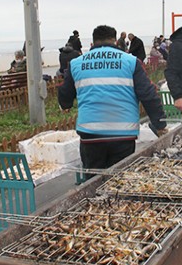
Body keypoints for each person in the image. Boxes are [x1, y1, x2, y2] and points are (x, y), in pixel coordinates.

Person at [58, 25, 167, 174]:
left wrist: (65, 104)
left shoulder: (76, 64)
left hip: (90, 135)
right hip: (122, 134)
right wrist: (160, 123)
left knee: (93, 182)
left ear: (93, 42)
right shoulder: (130, 61)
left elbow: (65, 95)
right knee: (120, 181)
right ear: (115, 41)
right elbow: (148, 95)